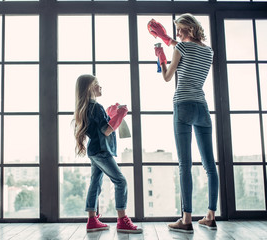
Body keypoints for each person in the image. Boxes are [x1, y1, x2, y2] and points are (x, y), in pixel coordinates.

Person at [148, 13, 219, 233]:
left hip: (183, 105)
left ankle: (186, 220)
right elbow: (185, 47)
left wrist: (161, 56)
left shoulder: (182, 48)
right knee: (209, 166)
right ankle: (210, 216)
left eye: (180, 29)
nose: (177, 33)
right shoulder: (209, 51)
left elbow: (168, 77)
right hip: (202, 107)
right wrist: (169, 40)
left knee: (185, 165)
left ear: (188, 29)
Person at [74, 74, 142, 234]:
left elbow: (100, 127)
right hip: (102, 151)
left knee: (95, 183)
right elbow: (106, 130)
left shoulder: (88, 108)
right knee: (120, 181)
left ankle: (92, 220)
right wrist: (119, 115)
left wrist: (110, 114)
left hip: (94, 150)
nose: (100, 87)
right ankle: (122, 220)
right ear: (90, 88)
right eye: (97, 84)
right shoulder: (96, 107)